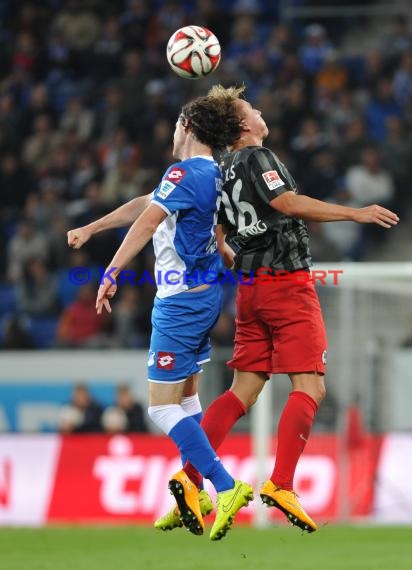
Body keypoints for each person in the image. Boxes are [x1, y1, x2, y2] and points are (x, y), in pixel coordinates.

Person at [154, 84, 399, 534]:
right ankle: (281, 483)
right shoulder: (256, 158)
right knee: (311, 386)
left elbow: (220, 226)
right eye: (253, 108)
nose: (261, 111)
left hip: (249, 289)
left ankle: (189, 479)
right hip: (286, 285)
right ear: (244, 126)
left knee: (242, 390)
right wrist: (355, 213)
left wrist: (229, 253)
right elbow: (287, 203)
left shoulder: (221, 168)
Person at [84, 92, 254, 541]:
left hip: (178, 303)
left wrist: (111, 271)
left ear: (189, 127)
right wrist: (93, 227)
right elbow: (147, 205)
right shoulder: (212, 174)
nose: (173, 130)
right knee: (185, 401)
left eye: (179, 122)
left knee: (160, 408)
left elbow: (145, 223)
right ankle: (194, 492)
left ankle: (226, 485)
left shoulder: (183, 172)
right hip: (204, 296)